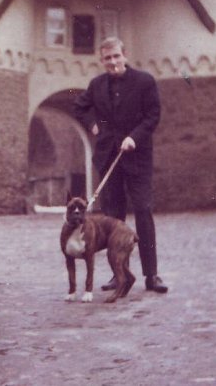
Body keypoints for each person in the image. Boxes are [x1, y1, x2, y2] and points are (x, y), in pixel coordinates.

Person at [73, 36, 168, 294]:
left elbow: (153, 116)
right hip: (109, 159)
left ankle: (151, 275)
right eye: (107, 58)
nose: (113, 62)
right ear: (102, 60)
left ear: (125, 55)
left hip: (137, 158)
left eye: (116, 56)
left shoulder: (144, 82)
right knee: (114, 217)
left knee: (143, 211)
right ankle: (120, 275)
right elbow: (80, 107)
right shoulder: (96, 85)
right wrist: (93, 125)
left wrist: (133, 138)